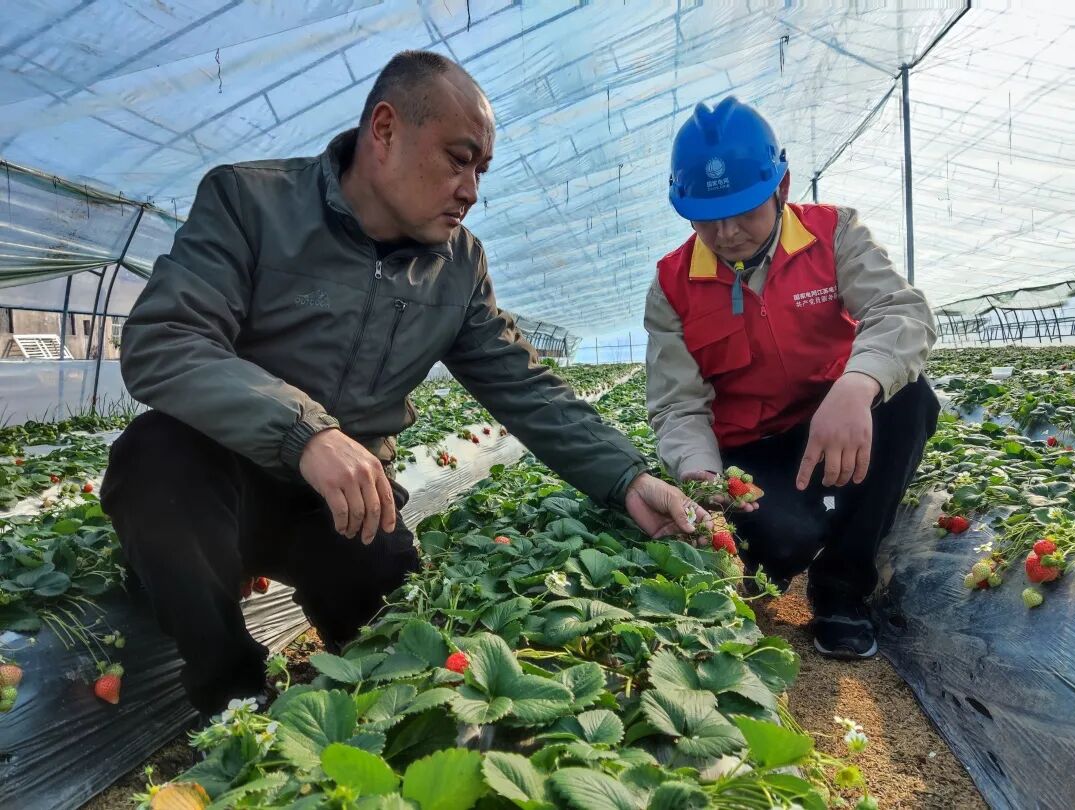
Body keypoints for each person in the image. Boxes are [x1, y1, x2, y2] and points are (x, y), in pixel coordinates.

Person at [101, 51, 704, 715]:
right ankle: (232, 696)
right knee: (154, 460)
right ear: (385, 130)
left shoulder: (458, 266)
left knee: (400, 655)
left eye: (481, 170)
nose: (471, 190)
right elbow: (166, 339)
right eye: (458, 159)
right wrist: (305, 433)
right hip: (222, 482)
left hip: (344, 505)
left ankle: (358, 707)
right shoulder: (251, 202)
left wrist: (628, 479)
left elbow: (526, 386)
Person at [645, 97, 939, 660]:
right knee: (783, 542)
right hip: (752, 452)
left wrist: (858, 384)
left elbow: (901, 311)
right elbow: (678, 403)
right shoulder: (672, 285)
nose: (727, 232)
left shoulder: (833, 234)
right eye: (706, 217)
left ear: (781, 187)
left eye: (744, 211)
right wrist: (702, 477)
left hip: (834, 424)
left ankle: (842, 588)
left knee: (911, 400)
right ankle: (790, 543)